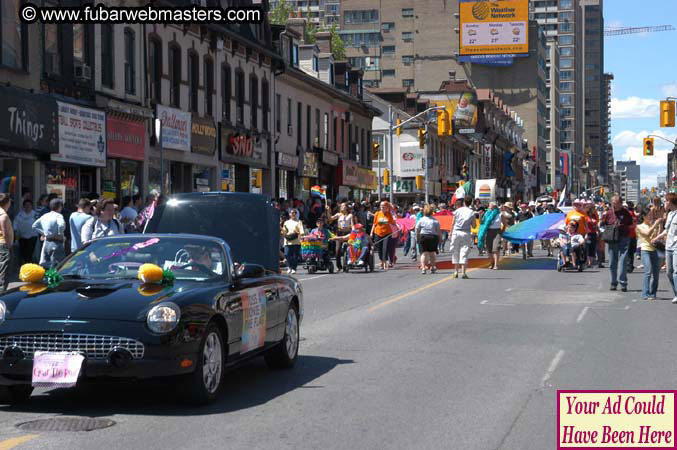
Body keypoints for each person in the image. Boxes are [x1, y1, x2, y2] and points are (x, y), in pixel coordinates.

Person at [601, 195, 633, 292]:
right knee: (612, 263)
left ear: (620, 203)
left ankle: (623, 283)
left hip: (624, 238)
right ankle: (613, 283)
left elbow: (630, 223)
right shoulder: (609, 213)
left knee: (623, 262)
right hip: (612, 240)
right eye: (613, 203)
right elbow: (603, 224)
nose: (614, 205)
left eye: (616, 203)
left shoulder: (626, 212)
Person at [652, 193, 677, 303]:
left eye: (666, 201)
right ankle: (676, 292)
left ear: (671, 202)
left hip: (676, 247)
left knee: (676, 272)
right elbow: (666, 230)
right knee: (669, 272)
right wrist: (657, 237)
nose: (665, 203)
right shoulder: (670, 214)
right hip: (668, 246)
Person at [32, 198, 66, 269]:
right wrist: (60, 234)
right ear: (60, 206)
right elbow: (61, 225)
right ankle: (55, 279)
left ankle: (46, 279)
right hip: (57, 243)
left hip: (46, 242)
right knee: (58, 265)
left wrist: (43, 233)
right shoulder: (58, 216)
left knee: (46, 264)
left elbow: (34, 226)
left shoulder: (45, 216)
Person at [636, 209, 663, 301]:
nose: (651, 217)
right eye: (649, 215)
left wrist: (660, 224)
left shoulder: (652, 225)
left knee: (656, 274)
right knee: (648, 272)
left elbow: (658, 235)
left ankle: (653, 293)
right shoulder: (639, 226)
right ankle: (645, 293)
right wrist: (655, 224)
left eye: (651, 215)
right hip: (645, 250)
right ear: (644, 216)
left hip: (654, 250)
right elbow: (647, 234)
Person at [450, 196, 475, 279]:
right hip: (465, 233)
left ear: (464, 202)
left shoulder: (457, 211)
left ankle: (456, 271)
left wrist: (450, 232)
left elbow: (453, 223)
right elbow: (474, 226)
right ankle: (463, 272)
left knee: (455, 251)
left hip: (456, 232)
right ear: (471, 202)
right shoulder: (471, 212)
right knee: (464, 252)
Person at [415, 205, 441, 274]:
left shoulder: (421, 220)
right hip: (432, 237)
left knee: (423, 254)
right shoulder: (435, 220)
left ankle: (423, 268)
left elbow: (417, 230)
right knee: (432, 253)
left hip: (423, 237)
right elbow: (438, 231)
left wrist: (417, 238)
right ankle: (433, 267)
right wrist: (440, 239)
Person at [370, 201, 396, 271]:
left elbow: (392, 223)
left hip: (387, 233)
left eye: (383, 206)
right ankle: (381, 262)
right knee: (379, 248)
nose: (382, 207)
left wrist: (398, 226)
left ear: (387, 207)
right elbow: (374, 224)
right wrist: (371, 232)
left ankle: (385, 263)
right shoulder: (377, 214)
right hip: (378, 233)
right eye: (381, 206)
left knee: (385, 248)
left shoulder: (389, 214)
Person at [13, 199, 39, 265]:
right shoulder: (20, 214)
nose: (28, 206)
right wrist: (15, 231)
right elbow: (15, 223)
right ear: (23, 206)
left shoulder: (35, 214)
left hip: (33, 236)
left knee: (30, 252)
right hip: (22, 236)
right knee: (23, 252)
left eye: (29, 205)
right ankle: (24, 264)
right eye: (26, 205)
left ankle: (28, 265)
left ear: (32, 206)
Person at [478, 202, 502, 270]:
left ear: (494, 207)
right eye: (489, 206)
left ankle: (496, 265)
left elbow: (505, 224)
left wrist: (501, 232)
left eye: (490, 206)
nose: (489, 207)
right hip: (489, 231)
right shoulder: (486, 214)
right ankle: (492, 263)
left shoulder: (499, 214)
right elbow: (481, 222)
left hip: (497, 231)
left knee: (496, 248)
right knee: (489, 249)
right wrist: (480, 215)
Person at [282, 209, 304, 274]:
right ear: (289, 214)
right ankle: (289, 267)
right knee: (286, 254)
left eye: (294, 213)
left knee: (295, 256)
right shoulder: (286, 222)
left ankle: (294, 268)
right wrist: (283, 232)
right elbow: (284, 231)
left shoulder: (299, 222)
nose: (293, 214)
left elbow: (301, 231)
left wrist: (300, 234)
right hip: (287, 241)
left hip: (296, 241)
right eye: (291, 213)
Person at [0, 194, 13, 290]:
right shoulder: (3, 216)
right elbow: (5, 233)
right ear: (7, 202)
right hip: (4, 245)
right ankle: (2, 291)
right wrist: (9, 246)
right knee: (4, 270)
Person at [626, 201, 638, 273]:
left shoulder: (631, 214)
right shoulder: (631, 214)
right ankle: (629, 266)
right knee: (630, 252)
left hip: (632, 235)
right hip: (630, 235)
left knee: (630, 252)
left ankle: (630, 266)